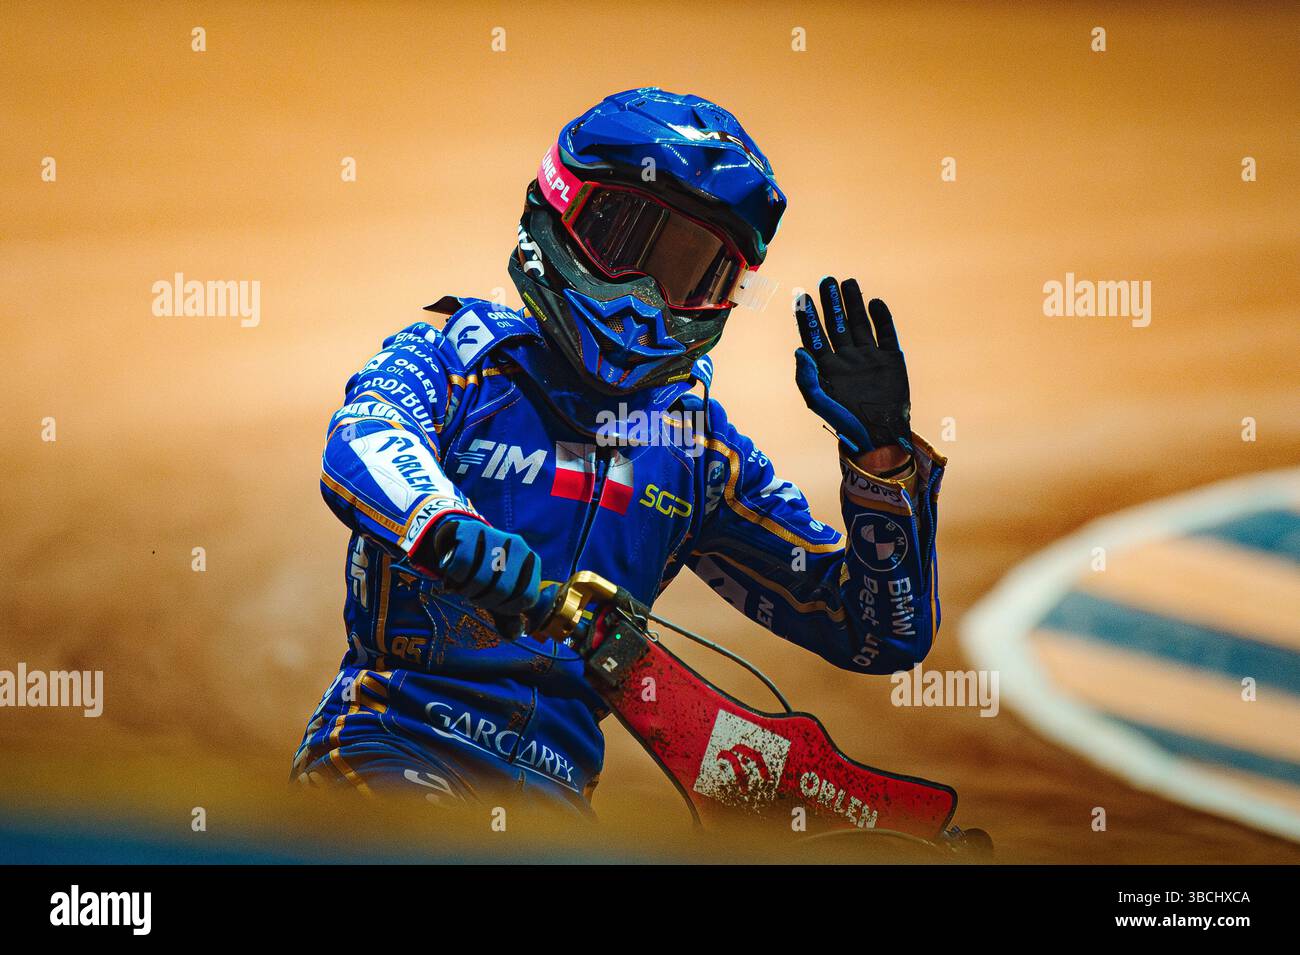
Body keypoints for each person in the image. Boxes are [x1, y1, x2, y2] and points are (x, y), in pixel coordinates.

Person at [292, 88, 946, 817]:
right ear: (563, 211)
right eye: (631, 244)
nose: (644, 297)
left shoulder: (697, 454)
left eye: (688, 272)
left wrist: (882, 466)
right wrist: (445, 524)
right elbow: (364, 437)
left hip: (557, 801)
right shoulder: (456, 359)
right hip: (392, 744)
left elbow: (878, 632)